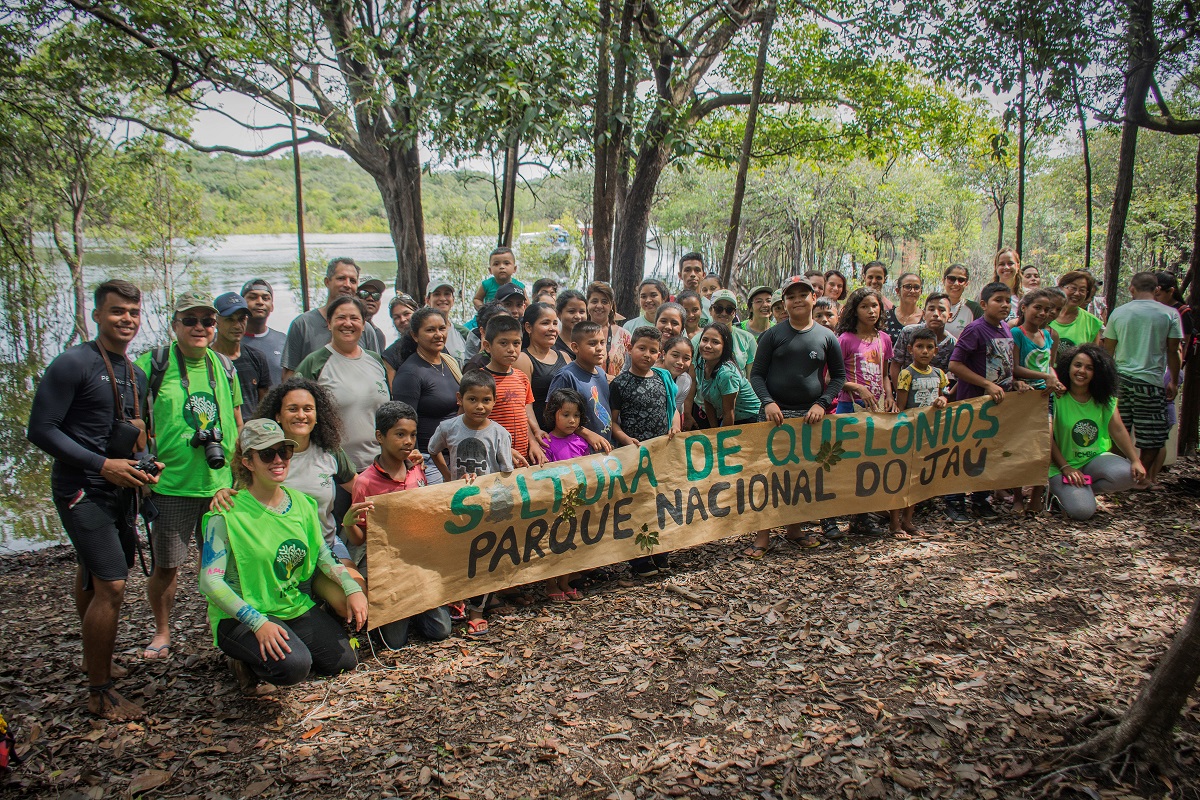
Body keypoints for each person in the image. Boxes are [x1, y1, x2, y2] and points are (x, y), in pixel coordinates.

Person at [26, 279, 162, 720]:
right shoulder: (72, 364)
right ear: (97, 315)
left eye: (134, 312)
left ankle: (93, 658)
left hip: (119, 489)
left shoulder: (135, 372)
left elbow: (130, 433)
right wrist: (102, 466)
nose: (127, 319)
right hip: (81, 488)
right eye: (118, 311)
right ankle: (98, 691)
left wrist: (143, 463)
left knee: (92, 570)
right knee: (113, 585)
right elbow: (41, 430)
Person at [198, 418, 364, 695]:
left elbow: (323, 554)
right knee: (294, 667)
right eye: (266, 454)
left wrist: (350, 587)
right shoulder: (224, 513)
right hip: (244, 615)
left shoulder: (302, 503)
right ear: (248, 462)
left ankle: (285, 642)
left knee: (342, 661)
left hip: (290, 604)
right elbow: (210, 582)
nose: (278, 460)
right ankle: (244, 662)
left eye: (284, 452)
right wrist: (257, 622)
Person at [136, 292, 244, 662]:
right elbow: (134, 422)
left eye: (207, 321)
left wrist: (242, 474)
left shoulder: (225, 367)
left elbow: (238, 423)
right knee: (167, 565)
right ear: (175, 324)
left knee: (227, 566)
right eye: (191, 320)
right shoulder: (152, 364)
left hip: (221, 487)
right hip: (171, 487)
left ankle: (229, 631)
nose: (200, 327)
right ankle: (162, 629)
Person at [750, 276, 845, 552]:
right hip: (773, 416)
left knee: (801, 476)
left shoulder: (827, 337)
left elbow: (839, 377)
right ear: (784, 303)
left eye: (803, 294)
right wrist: (767, 401)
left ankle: (794, 529)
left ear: (814, 298)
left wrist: (822, 403)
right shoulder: (773, 335)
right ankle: (762, 535)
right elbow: (756, 375)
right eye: (791, 297)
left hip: (810, 417)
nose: (797, 300)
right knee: (768, 476)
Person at [342, 402, 448, 649]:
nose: (408, 441)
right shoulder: (365, 483)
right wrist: (348, 524)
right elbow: (360, 539)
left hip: (420, 560)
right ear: (380, 436)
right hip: (388, 565)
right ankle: (399, 610)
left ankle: (417, 606)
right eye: (400, 434)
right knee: (394, 642)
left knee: (440, 631)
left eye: (412, 435)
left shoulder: (416, 470)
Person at [428, 371, 514, 636]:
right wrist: (447, 475)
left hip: (486, 509)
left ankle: (477, 610)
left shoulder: (499, 433)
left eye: (486, 400)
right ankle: (459, 601)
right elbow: (433, 450)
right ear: (459, 399)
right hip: (457, 507)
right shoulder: (448, 428)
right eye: (472, 399)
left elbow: (505, 471)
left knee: (483, 557)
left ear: (494, 401)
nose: (480, 406)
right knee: (459, 556)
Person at [947, 282, 1021, 522]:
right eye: (998, 300)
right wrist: (987, 384)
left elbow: (1006, 366)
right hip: (972, 402)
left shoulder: (1005, 329)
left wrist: (1016, 382)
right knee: (964, 451)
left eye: (1007, 300)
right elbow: (955, 365)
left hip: (998, 406)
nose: (1004, 305)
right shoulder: (975, 330)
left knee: (987, 452)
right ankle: (954, 502)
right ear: (983, 304)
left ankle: (981, 500)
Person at [609, 326, 680, 577]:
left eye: (653, 350)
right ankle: (639, 559)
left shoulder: (663, 377)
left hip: (661, 453)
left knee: (661, 500)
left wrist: (675, 424)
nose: (647, 354)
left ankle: (661, 552)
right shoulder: (620, 383)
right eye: (641, 348)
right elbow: (613, 422)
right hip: (634, 455)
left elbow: (674, 408)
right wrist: (626, 440)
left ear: (659, 353)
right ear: (629, 349)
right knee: (637, 503)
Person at [293, 296, 390, 476]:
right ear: (329, 323)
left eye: (354, 318)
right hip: (333, 470)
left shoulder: (375, 360)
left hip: (379, 467)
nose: (347, 323)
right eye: (340, 318)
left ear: (363, 324)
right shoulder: (314, 364)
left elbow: (388, 413)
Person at [1103, 271, 1183, 488]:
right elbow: (1173, 350)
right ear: (1157, 290)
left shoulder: (1119, 313)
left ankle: (1121, 477)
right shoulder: (1169, 314)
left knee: (1120, 429)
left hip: (1121, 380)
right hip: (1151, 382)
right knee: (1153, 434)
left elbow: (1107, 349)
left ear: (1131, 288)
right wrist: (1173, 380)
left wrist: (1106, 381)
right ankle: (1142, 478)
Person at [1048, 344, 1145, 519]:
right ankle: (1060, 495)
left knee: (1128, 474)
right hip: (1061, 466)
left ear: (1097, 373)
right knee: (1082, 512)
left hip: (1093, 460)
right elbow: (1047, 438)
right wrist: (1066, 467)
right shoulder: (1056, 397)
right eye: (1077, 365)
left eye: (1089, 368)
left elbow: (1118, 430)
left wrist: (1135, 460)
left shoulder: (1104, 399)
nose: (1081, 371)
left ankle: (1082, 488)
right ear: (1068, 366)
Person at [833, 287, 894, 538]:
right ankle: (834, 516)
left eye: (875, 306)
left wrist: (890, 396)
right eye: (864, 306)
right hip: (849, 407)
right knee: (845, 463)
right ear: (854, 310)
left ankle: (862, 518)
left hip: (877, 410)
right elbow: (832, 378)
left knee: (869, 463)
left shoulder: (884, 339)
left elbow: (885, 374)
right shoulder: (845, 339)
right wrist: (857, 387)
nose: (871, 311)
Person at [1010, 289, 1067, 514]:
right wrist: (1046, 377)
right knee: (1018, 447)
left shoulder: (1049, 336)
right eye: (1038, 308)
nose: (1042, 313)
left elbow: (1048, 364)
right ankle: (1016, 497)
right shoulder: (1016, 333)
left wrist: (1056, 380)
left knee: (1043, 446)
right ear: (1024, 308)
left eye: (1047, 309)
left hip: (1045, 398)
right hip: (1023, 397)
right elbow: (1014, 367)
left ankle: (1036, 496)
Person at [391, 308, 462, 485]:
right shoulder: (410, 373)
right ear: (415, 336)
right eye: (430, 330)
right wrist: (413, 461)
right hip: (427, 461)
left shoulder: (448, 361)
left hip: (455, 455)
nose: (438, 335)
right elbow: (402, 421)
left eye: (442, 328)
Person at [891, 327, 949, 535]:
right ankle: (895, 522)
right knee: (902, 477)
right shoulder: (906, 374)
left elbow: (942, 397)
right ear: (910, 349)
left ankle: (908, 520)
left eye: (929, 347)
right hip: (910, 432)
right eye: (920, 347)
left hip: (929, 433)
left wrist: (943, 400)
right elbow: (902, 406)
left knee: (917, 478)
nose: (924, 351)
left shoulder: (939, 374)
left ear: (936, 350)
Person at [539, 388, 591, 602]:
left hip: (577, 501)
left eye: (576, 415)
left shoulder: (581, 442)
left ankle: (565, 581)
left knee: (573, 541)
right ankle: (551, 583)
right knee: (554, 541)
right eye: (566, 415)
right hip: (556, 503)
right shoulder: (547, 443)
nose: (572, 420)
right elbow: (543, 476)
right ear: (553, 415)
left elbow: (588, 469)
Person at [281, 257, 364, 379]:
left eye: (352, 281)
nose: (347, 285)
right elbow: (289, 375)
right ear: (327, 282)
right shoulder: (303, 324)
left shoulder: (363, 328)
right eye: (341, 278)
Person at [480, 313, 541, 466]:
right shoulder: (479, 380)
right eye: (503, 343)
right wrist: (502, 449)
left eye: (516, 343)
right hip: (491, 460)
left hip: (522, 459)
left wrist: (532, 443)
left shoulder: (522, 378)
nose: (511, 349)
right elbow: (471, 422)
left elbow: (524, 415)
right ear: (487, 346)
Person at [548, 322, 614, 452]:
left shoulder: (601, 373)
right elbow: (552, 414)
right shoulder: (566, 376)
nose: (600, 348)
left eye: (602, 342)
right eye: (592, 344)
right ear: (575, 347)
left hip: (603, 448)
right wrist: (587, 434)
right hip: (578, 451)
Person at [213, 292, 272, 421]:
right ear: (216, 321)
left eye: (241, 319)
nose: (237, 326)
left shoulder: (257, 357)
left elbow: (265, 406)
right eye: (229, 319)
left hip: (253, 432)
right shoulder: (208, 358)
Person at [694, 323, 761, 428]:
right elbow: (707, 399)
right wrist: (713, 431)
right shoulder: (702, 363)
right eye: (705, 340)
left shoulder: (727, 374)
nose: (707, 345)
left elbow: (729, 413)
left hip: (751, 418)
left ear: (725, 346)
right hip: (728, 417)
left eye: (715, 342)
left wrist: (720, 438)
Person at [517, 302, 568, 429]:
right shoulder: (523, 359)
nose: (552, 328)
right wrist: (535, 435)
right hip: (542, 436)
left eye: (555, 323)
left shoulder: (565, 356)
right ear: (528, 327)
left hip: (567, 434)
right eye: (545, 323)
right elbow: (524, 404)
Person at [889, 292, 956, 388]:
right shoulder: (909, 332)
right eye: (931, 309)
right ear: (924, 314)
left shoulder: (952, 344)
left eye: (941, 310)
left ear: (950, 316)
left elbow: (960, 376)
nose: (936, 314)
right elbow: (895, 365)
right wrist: (900, 393)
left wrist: (947, 397)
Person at [240, 279, 287, 386]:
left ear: (272, 306)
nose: (260, 302)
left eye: (265, 298)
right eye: (253, 297)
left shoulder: (283, 340)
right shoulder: (231, 340)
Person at [703, 289, 758, 375]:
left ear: (735, 313)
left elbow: (751, 376)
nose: (724, 313)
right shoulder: (699, 339)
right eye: (719, 308)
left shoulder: (748, 338)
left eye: (729, 309)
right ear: (710, 310)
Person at [585, 281, 630, 378]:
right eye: (594, 301)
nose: (599, 306)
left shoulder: (625, 336)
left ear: (611, 306)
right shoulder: (579, 333)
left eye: (604, 302)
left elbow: (631, 368)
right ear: (587, 304)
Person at [1051, 270, 1104, 347]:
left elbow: (1093, 355)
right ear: (1061, 288)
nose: (1077, 293)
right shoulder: (1045, 313)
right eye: (1073, 288)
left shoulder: (1092, 322)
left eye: (1082, 290)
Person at [426, 280, 469, 361]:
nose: (442, 298)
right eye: (437, 294)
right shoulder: (421, 334)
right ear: (427, 300)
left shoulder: (463, 333)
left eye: (447, 294)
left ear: (453, 300)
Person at [660, 335, 695, 430]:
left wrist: (675, 427)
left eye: (686, 358)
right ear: (664, 354)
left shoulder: (685, 381)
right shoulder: (650, 374)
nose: (680, 362)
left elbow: (674, 408)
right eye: (675, 355)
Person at [941, 263, 985, 339]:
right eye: (951, 279)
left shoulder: (974, 309)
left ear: (966, 284)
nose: (956, 283)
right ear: (943, 281)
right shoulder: (934, 305)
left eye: (961, 280)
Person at [382, 292, 420, 372]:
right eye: (397, 317)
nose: (402, 320)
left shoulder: (432, 342)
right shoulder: (390, 355)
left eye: (406, 314)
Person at [884, 272, 924, 341]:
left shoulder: (926, 319)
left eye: (916, 287)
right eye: (907, 287)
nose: (912, 291)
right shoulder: (885, 317)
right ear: (898, 291)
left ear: (921, 291)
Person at [356, 277, 389, 353]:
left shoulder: (378, 334)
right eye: (364, 293)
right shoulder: (343, 326)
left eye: (376, 295)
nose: (370, 299)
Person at [554, 289, 588, 359]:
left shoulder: (591, 344)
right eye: (571, 311)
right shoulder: (553, 347)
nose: (578, 316)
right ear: (558, 314)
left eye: (582, 312)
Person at [992, 248, 1023, 316]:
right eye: (1001, 264)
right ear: (996, 267)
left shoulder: (1027, 296)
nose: (1006, 267)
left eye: (1010, 263)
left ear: (1018, 266)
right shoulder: (986, 294)